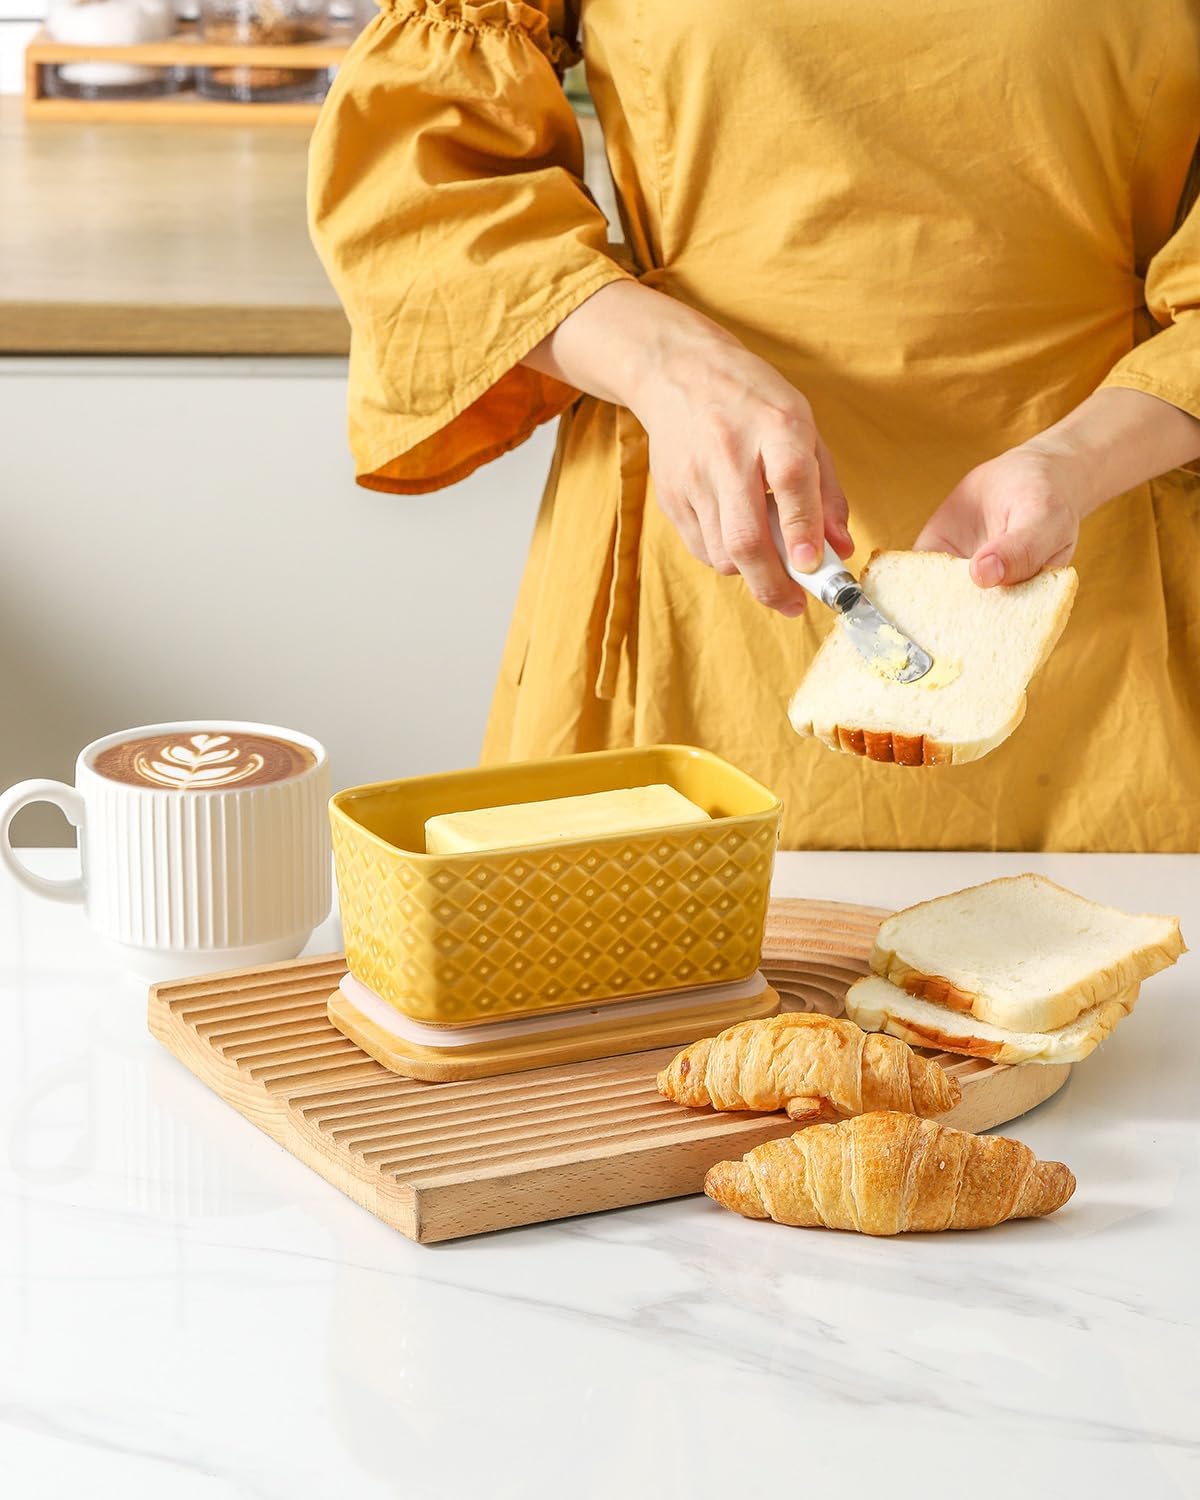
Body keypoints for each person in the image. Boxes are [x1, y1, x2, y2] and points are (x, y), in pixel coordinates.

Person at [308, 2, 1200, 850]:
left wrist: (1085, 456)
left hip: (1116, 545)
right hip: (698, 572)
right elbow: (418, 183)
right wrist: (665, 365)